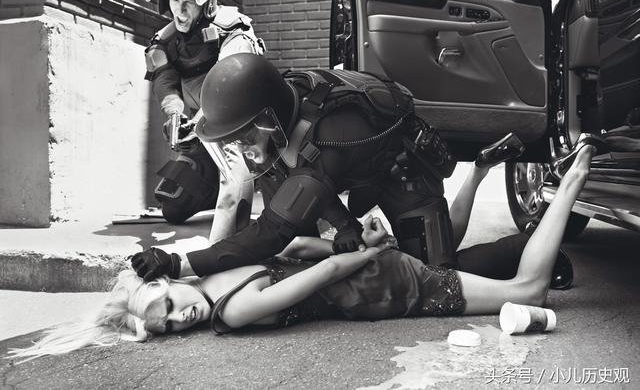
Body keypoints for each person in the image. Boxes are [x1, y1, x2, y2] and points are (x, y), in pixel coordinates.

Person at [8, 143, 595, 362]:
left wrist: (363, 250)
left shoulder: (234, 309)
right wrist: (360, 245)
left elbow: (320, 270)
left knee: (527, 292)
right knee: (473, 263)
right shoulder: (222, 282)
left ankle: (571, 183)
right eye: (165, 329)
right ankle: (551, 194)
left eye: (164, 307)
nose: (177, 320)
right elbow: (296, 252)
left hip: (385, 287)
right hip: (377, 274)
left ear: (167, 285)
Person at [130, 54, 571, 288]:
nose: (238, 147)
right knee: (303, 200)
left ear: (267, 121)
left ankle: (529, 246)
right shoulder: (281, 108)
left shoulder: (324, 138)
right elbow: (305, 179)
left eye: (243, 136)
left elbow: (271, 232)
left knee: (437, 275)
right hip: (355, 168)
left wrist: (177, 262)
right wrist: (344, 225)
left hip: (404, 171)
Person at [143, 0, 264, 233]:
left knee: (263, 221)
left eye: (188, 2)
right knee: (173, 209)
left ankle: (256, 188)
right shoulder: (164, 41)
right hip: (203, 136)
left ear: (206, 3)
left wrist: (199, 119)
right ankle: (216, 187)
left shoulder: (233, 29)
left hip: (246, 134)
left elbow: (228, 80)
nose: (180, 11)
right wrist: (175, 114)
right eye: (175, 1)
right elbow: (164, 80)